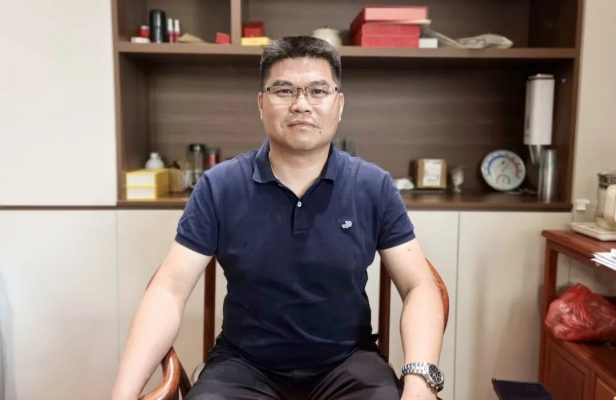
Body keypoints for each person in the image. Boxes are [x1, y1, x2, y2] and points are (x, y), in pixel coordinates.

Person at [112, 36, 444, 400]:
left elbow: (419, 285)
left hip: (348, 363)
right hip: (243, 365)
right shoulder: (220, 186)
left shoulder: (372, 185)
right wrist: (122, 395)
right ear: (261, 103)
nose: (301, 104)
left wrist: (420, 381)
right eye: (284, 90)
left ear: (339, 104)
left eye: (318, 91)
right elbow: (169, 290)